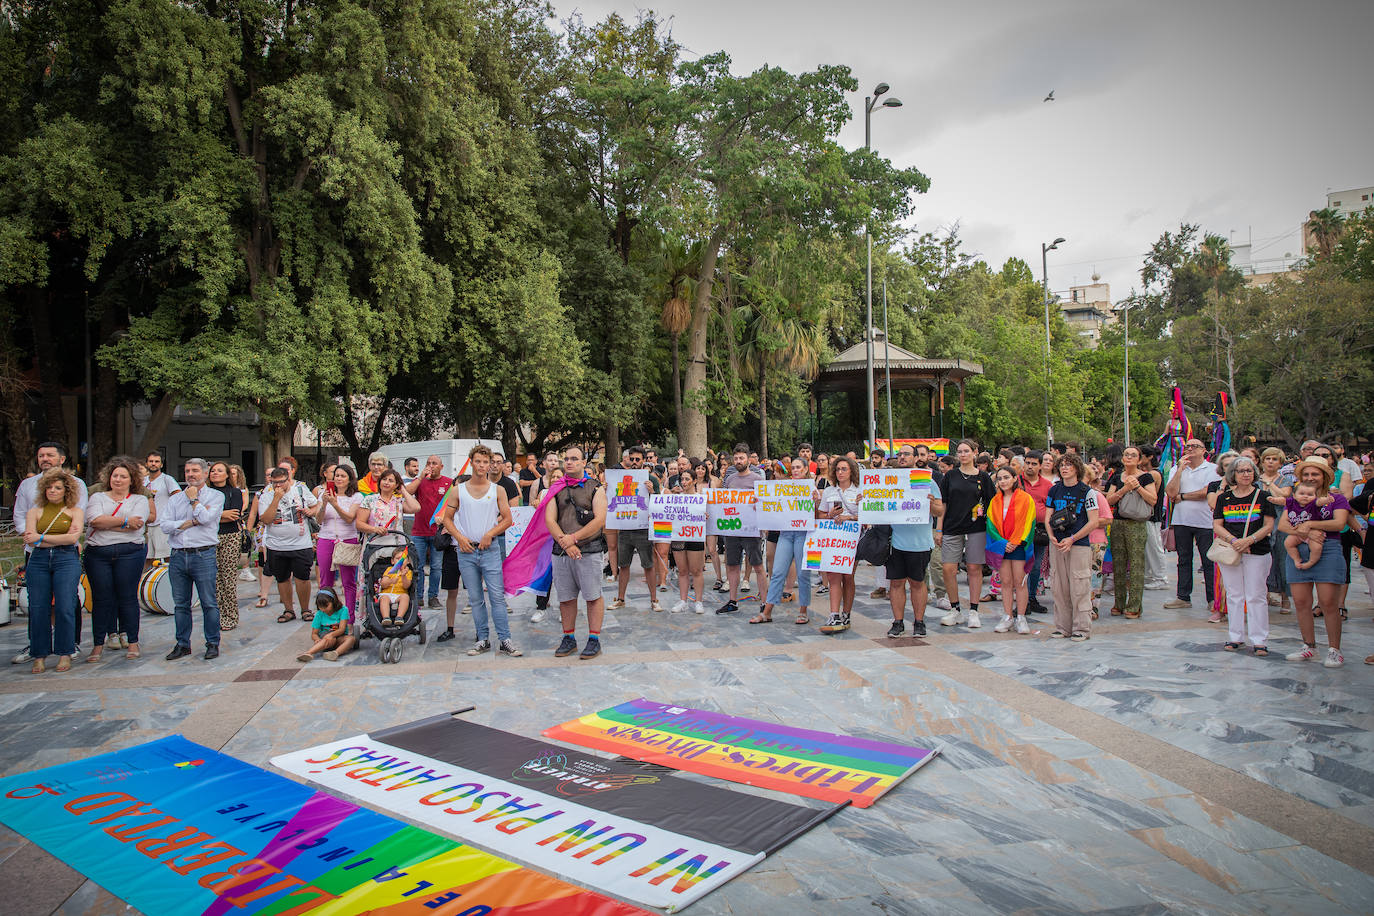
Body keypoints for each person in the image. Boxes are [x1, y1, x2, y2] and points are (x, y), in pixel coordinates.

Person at [441, 445, 519, 656]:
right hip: (465, 550)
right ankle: (482, 638)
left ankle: (505, 639)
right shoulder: (458, 490)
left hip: (489, 548)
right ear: (471, 462)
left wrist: (490, 533)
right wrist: (459, 538)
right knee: (475, 598)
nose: (483, 466)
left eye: (486, 462)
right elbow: (447, 519)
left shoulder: (498, 490)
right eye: (479, 461)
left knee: (496, 596)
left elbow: (508, 519)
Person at [1279, 457, 1350, 667]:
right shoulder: (1295, 498)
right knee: (1301, 602)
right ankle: (1309, 646)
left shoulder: (1335, 499)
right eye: (1307, 474)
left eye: (1315, 474)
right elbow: (1283, 525)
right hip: (1299, 548)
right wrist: (1305, 532)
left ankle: (1334, 649)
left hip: (1328, 549)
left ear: (1325, 476)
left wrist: (1310, 524)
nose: (1311, 478)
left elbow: (1339, 523)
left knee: (1328, 602)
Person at [84, 456, 151, 661]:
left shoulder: (139, 499)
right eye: (115, 476)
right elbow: (94, 521)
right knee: (102, 599)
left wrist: (109, 523)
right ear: (108, 478)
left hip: (130, 553)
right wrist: (124, 521)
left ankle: (132, 641)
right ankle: (98, 644)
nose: (118, 480)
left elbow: (137, 524)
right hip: (98, 553)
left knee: (128, 597)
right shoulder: (97, 497)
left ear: (132, 479)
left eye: (123, 476)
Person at [546, 447, 608, 659]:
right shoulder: (556, 488)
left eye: (574, 459)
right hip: (562, 552)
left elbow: (600, 520)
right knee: (566, 598)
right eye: (567, 459)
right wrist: (567, 544)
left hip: (589, 551)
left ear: (583, 463)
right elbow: (550, 520)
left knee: (592, 596)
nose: (569, 462)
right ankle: (568, 637)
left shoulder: (596, 488)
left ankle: (594, 639)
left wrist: (574, 538)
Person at [1211, 457, 1276, 655]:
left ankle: (1259, 639)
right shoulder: (1224, 498)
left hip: (1257, 550)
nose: (1246, 474)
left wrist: (1249, 541)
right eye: (1241, 471)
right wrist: (1234, 541)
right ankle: (1235, 636)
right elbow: (1217, 524)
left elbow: (1269, 525)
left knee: (1256, 595)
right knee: (1234, 594)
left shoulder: (1263, 496)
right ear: (1233, 475)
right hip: (1231, 550)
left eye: (1249, 470)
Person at [23, 468, 86, 673]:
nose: (52, 491)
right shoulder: (35, 511)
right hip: (38, 560)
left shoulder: (75, 511)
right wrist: (42, 540)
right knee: (38, 608)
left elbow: (71, 539)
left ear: (66, 490)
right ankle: (39, 655)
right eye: (49, 487)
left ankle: (65, 652)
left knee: (65, 605)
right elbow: (28, 538)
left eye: (58, 488)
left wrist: (41, 538)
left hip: (66, 558)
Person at [161, 459, 225, 660]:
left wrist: (193, 501)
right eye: (187, 470)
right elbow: (164, 525)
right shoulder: (174, 499)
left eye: (195, 471)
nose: (190, 474)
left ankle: (212, 643)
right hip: (179, 555)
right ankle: (182, 644)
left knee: (208, 602)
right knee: (180, 604)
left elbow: (206, 519)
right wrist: (189, 522)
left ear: (205, 474)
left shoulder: (216, 496)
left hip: (203, 555)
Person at [749, 457, 816, 626]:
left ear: (806, 469)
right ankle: (767, 612)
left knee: (803, 574)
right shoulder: (782, 488)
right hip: (786, 534)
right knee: (777, 572)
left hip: (804, 534)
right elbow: (772, 506)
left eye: (798, 467)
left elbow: (818, 512)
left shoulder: (812, 488)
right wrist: (761, 506)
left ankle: (803, 611)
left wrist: (817, 500)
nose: (795, 470)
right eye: (793, 467)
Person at [937, 439, 995, 628]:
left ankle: (974, 610)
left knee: (974, 568)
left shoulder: (983, 477)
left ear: (974, 453)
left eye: (966, 451)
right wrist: (939, 528)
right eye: (960, 451)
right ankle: (955, 609)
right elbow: (943, 503)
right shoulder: (950, 476)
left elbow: (992, 503)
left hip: (976, 527)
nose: (963, 454)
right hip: (952, 527)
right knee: (948, 568)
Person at [1045, 454, 1100, 641]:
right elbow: (1048, 516)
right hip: (1057, 544)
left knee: (1079, 586)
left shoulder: (1087, 492)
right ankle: (1062, 626)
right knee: (1059, 586)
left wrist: (1073, 538)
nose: (1064, 468)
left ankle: (1082, 628)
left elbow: (1093, 521)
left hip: (1078, 545)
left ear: (1077, 468)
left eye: (1069, 465)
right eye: (1062, 465)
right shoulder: (1054, 490)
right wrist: (1051, 535)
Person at [1163, 438, 1222, 614]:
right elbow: (1171, 492)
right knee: (1184, 559)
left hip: (1206, 521)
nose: (1190, 449)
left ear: (1204, 450)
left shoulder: (1212, 469)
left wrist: (1184, 496)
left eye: (1195, 446)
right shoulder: (1177, 468)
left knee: (1208, 560)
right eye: (1187, 446)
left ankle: (1212, 598)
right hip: (1181, 520)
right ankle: (1183, 596)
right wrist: (1180, 470)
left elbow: (1208, 492)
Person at [886, 468, 946, 639]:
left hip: (919, 544)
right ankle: (898, 622)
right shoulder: (890, 482)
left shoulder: (928, 482)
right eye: (901, 454)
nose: (903, 457)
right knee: (896, 583)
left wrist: (932, 503)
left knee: (917, 583)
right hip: (895, 542)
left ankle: (919, 622)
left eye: (907, 454)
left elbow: (939, 511)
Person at [259, 465, 320, 622]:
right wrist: (276, 499)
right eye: (274, 483)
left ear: (288, 479)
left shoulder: (300, 489)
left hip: (301, 543)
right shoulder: (266, 495)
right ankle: (288, 610)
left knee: (302, 577)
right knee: (282, 578)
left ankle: (305, 609)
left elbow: (315, 505)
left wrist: (311, 512)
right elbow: (265, 519)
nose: (278, 486)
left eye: (281, 482)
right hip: (276, 545)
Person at [1103, 446, 1157, 620]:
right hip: (1118, 522)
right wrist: (1124, 489)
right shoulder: (1117, 477)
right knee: (1118, 563)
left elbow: (1153, 500)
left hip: (1137, 524)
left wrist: (1138, 487)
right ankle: (1119, 603)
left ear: (1140, 459)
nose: (1129, 457)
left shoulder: (1146, 476)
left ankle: (1134, 605)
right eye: (1126, 454)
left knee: (1136, 564)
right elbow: (1108, 500)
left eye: (1133, 455)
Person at [608, 446, 662, 611]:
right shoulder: (618, 477)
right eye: (631, 459)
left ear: (643, 460)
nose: (634, 462)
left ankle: (654, 600)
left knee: (648, 565)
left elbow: (659, 504)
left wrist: (652, 492)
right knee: (623, 565)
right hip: (624, 528)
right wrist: (606, 489)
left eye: (637, 459)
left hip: (642, 528)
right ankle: (621, 599)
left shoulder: (651, 479)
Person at [717, 443, 766, 616]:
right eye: (736, 458)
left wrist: (757, 504)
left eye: (741, 458)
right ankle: (732, 601)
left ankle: (764, 603)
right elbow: (721, 502)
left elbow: (765, 504)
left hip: (751, 531)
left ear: (748, 459)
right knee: (732, 566)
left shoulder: (758, 480)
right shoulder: (729, 480)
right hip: (732, 530)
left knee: (758, 566)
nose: (738, 461)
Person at [987, 467, 1036, 634]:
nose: (1003, 481)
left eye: (1006, 477)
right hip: (1002, 546)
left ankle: (1021, 617)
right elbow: (991, 524)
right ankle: (1007, 616)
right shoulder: (995, 501)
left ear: (1015, 478)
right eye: (999, 478)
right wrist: (1002, 543)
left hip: (1019, 546)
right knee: (1006, 583)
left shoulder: (1026, 499)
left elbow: (1028, 521)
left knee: (1020, 582)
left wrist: (1015, 541)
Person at [818, 456, 862, 634]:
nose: (840, 472)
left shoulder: (860, 491)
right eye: (837, 469)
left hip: (853, 539)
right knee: (833, 576)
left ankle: (846, 612)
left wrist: (850, 517)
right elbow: (820, 515)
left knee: (848, 577)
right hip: (833, 539)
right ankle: (834, 613)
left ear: (852, 471)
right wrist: (829, 514)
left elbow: (869, 516)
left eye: (844, 469)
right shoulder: (829, 491)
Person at [316, 464, 363, 618]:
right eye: (337, 475)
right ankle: (326, 616)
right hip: (326, 538)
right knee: (326, 582)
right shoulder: (324, 494)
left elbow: (350, 519)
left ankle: (348, 618)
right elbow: (318, 519)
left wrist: (335, 504)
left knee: (348, 582)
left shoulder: (356, 496)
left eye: (343, 476)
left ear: (350, 479)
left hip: (347, 539)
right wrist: (324, 503)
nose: (339, 479)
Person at [406, 455, 451, 609]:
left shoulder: (448, 483)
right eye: (428, 463)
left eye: (434, 463)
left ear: (441, 466)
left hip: (437, 532)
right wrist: (420, 478)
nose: (431, 466)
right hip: (419, 531)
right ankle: (418, 597)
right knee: (417, 566)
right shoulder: (420, 481)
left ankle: (433, 597)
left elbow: (452, 505)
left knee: (436, 567)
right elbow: (406, 492)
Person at [206, 461, 245, 631]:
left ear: (227, 474)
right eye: (212, 471)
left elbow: (233, 516)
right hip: (209, 536)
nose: (215, 473)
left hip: (230, 536)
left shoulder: (234, 492)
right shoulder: (205, 493)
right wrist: (220, 514)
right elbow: (201, 516)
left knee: (227, 577)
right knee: (213, 580)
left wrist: (211, 515)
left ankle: (230, 616)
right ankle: (217, 615)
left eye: (219, 471)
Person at [670, 459, 708, 614]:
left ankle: (698, 601)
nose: (684, 482)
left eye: (687, 479)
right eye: (682, 479)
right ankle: (683, 600)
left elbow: (708, 516)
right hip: (679, 537)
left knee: (696, 570)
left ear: (694, 481)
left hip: (695, 536)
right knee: (682, 570)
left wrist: (704, 515)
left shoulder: (700, 498)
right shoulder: (675, 498)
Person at [1257, 447, 1292, 612]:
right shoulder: (1255, 480)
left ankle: (1285, 597)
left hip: (1280, 524)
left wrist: (1270, 484)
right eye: (1267, 459)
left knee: (1282, 560)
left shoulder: (1285, 480)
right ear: (1262, 461)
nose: (1270, 462)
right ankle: (1264, 596)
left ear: (1280, 463)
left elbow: (1284, 499)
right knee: (1262, 562)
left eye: (1274, 459)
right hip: (1260, 523)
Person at [1019, 450, 1053, 614]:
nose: (1030, 467)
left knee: (1036, 565)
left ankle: (1032, 598)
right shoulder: (1016, 481)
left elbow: (1051, 507)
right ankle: (1022, 601)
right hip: (1019, 531)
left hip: (1039, 531)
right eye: (1028, 463)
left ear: (1040, 466)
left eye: (1034, 464)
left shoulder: (1047, 485)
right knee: (1021, 565)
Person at [1277, 483, 1333, 569]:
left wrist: (1326, 500)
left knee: (1316, 548)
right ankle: (1296, 559)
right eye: (1302, 494)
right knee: (1288, 543)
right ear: (1294, 495)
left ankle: (1311, 562)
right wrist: (1274, 500)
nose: (1305, 496)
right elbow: (1282, 500)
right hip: (1297, 533)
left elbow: (1320, 501)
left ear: (1315, 496)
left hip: (1314, 533)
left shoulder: (1313, 504)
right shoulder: (1292, 503)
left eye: (1310, 495)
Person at [296, 587, 357, 662]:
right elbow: (314, 633)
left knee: (351, 639)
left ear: (333, 601)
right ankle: (308, 653)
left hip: (339, 637)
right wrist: (317, 639)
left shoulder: (343, 610)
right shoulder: (319, 614)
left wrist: (331, 634)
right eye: (320, 606)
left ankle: (335, 653)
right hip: (325, 639)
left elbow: (342, 629)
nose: (323, 609)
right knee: (330, 639)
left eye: (326, 606)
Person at [142, 450, 180, 568]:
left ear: (161, 464)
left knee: (167, 556)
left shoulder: (167, 479)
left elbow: (178, 496)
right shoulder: (143, 481)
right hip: (146, 524)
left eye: (157, 461)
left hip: (161, 524)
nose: (154, 464)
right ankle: (143, 583)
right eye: (151, 461)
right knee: (147, 558)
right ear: (147, 464)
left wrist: (170, 514)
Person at [377, 552, 414, 626]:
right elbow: (383, 584)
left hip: (400, 594)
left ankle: (399, 617)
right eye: (398, 559)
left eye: (403, 559)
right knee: (384, 598)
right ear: (392, 561)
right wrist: (391, 581)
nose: (400, 561)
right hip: (387, 593)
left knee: (405, 597)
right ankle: (386, 617)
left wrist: (403, 576)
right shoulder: (390, 569)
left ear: (408, 561)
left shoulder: (408, 572)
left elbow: (406, 586)